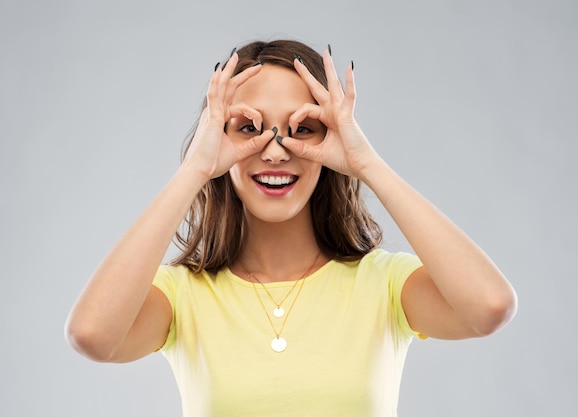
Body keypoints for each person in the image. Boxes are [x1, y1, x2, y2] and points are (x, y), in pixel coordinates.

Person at [65, 39, 517, 416]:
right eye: (249, 128)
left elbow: (490, 306)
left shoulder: (384, 284)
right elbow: (92, 336)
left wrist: (366, 163)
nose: (277, 152)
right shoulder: (183, 294)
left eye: (302, 129)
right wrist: (195, 169)